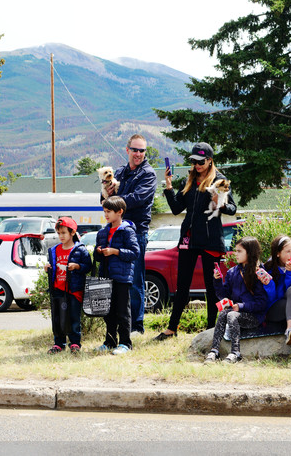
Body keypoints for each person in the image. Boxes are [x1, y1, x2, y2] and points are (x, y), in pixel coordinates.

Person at [154, 142, 237, 341]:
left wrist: (221, 204)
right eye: (193, 161)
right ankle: (172, 328)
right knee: (182, 285)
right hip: (189, 238)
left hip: (210, 239)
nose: (197, 165)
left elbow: (233, 209)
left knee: (212, 287)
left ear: (209, 160)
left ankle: (211, 330)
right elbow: (175, 209)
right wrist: (168, 185)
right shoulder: (187, 180)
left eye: (200, 161)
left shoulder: (220, 180)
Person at [102, 134, 156, 336]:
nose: (139, 154)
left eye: (142, 150)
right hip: (115, 231)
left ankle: (136, 327)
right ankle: (118, 325)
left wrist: (114, 199)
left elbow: (137, 199)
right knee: (116, 280)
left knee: (134, 280)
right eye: (135, 150)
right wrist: (106, 192)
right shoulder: (119, 172)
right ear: (127, 150)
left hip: (136, 232)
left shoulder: (148, 174)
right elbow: (104, 198)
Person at [204, 237, 269, 363]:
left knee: (232, 315)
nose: (235, 254)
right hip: (237, 314)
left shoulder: (259, 272)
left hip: (254, 317)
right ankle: (214, 351)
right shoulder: (232, 272)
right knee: (223, 313)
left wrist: (241, 306)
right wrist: (217, 281)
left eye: (239, 251)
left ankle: (235, 352)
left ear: (249, 253)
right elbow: (224, 296)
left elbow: (262, 303)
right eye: (235, 251)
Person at [94, 196, 140, 355]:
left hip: (122, 278)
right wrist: (98, 252)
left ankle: (126, 343)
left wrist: (115, 251)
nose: (106, 215)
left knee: (122, 311)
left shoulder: (127, 231)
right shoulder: (102, 232)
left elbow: (135, 253)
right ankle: (110, 341)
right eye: (104, 211)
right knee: (108, 311)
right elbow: (97, 257)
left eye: (109, 211)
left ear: (120, 212)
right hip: (106, 276)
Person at [45, 217, 92, 354]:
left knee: (73, 318)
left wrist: (77, 266)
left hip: (73, 290)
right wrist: (48, 268)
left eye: (64, 233)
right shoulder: (54, 250)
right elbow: (53, 265)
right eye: (59, 233)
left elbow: (88, 266)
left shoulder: (80, 250)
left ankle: (75, 343)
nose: (61, 236)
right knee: (58, 317)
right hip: (58, 289)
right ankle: (59, 343)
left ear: (72, 233)